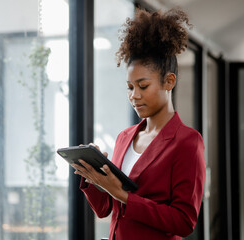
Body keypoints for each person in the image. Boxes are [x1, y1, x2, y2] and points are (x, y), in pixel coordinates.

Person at [71, 8, 206, 240]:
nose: (134, 95)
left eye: (143, 86)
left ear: (169, 81)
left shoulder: (187, 141)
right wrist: (93, 178)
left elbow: (184, 221)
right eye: (129, 87)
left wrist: (123, 195)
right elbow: (105, 209)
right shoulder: (125, 136)